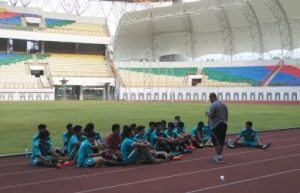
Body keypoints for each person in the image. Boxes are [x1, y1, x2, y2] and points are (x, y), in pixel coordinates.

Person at [205, 93, 228, 163]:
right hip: (224, 123)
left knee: (216, 141)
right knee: (221, 141)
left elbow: (211, 115)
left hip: (216, 125)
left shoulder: (213, 105)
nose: (210, 100)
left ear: (211, 97)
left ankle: (218, 158)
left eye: (210, 99)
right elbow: (227, 115)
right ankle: (219, 156)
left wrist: (207, 114)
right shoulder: (224, 104)